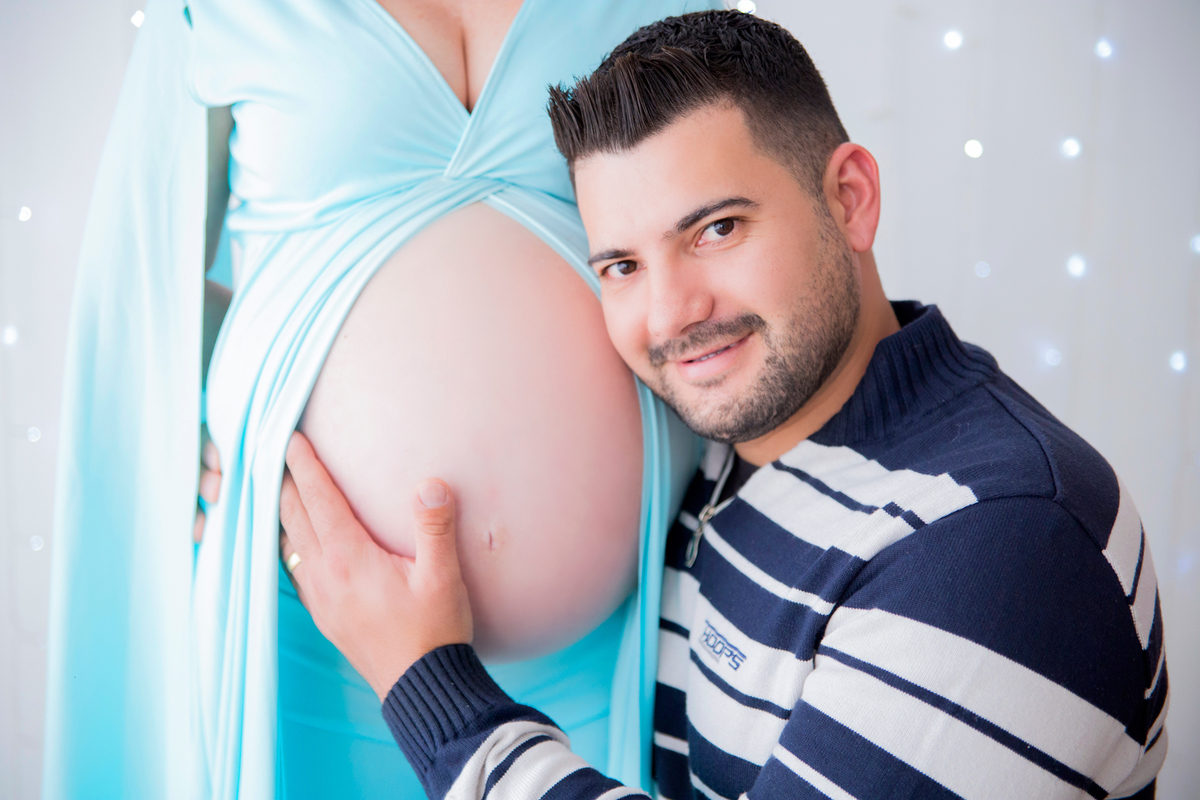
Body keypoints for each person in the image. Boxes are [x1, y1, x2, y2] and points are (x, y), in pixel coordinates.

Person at [277, 10, 1170, 799]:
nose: (671, 315)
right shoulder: (732, 462)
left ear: (850, 199)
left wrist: (425, 679)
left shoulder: (1001, 535)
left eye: (717, 230)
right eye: (622, 266)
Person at [45, 0, 720, 797]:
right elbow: (144, 271)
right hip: (316, 641)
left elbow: (729, 228)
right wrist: (200, 400)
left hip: (617, 640)